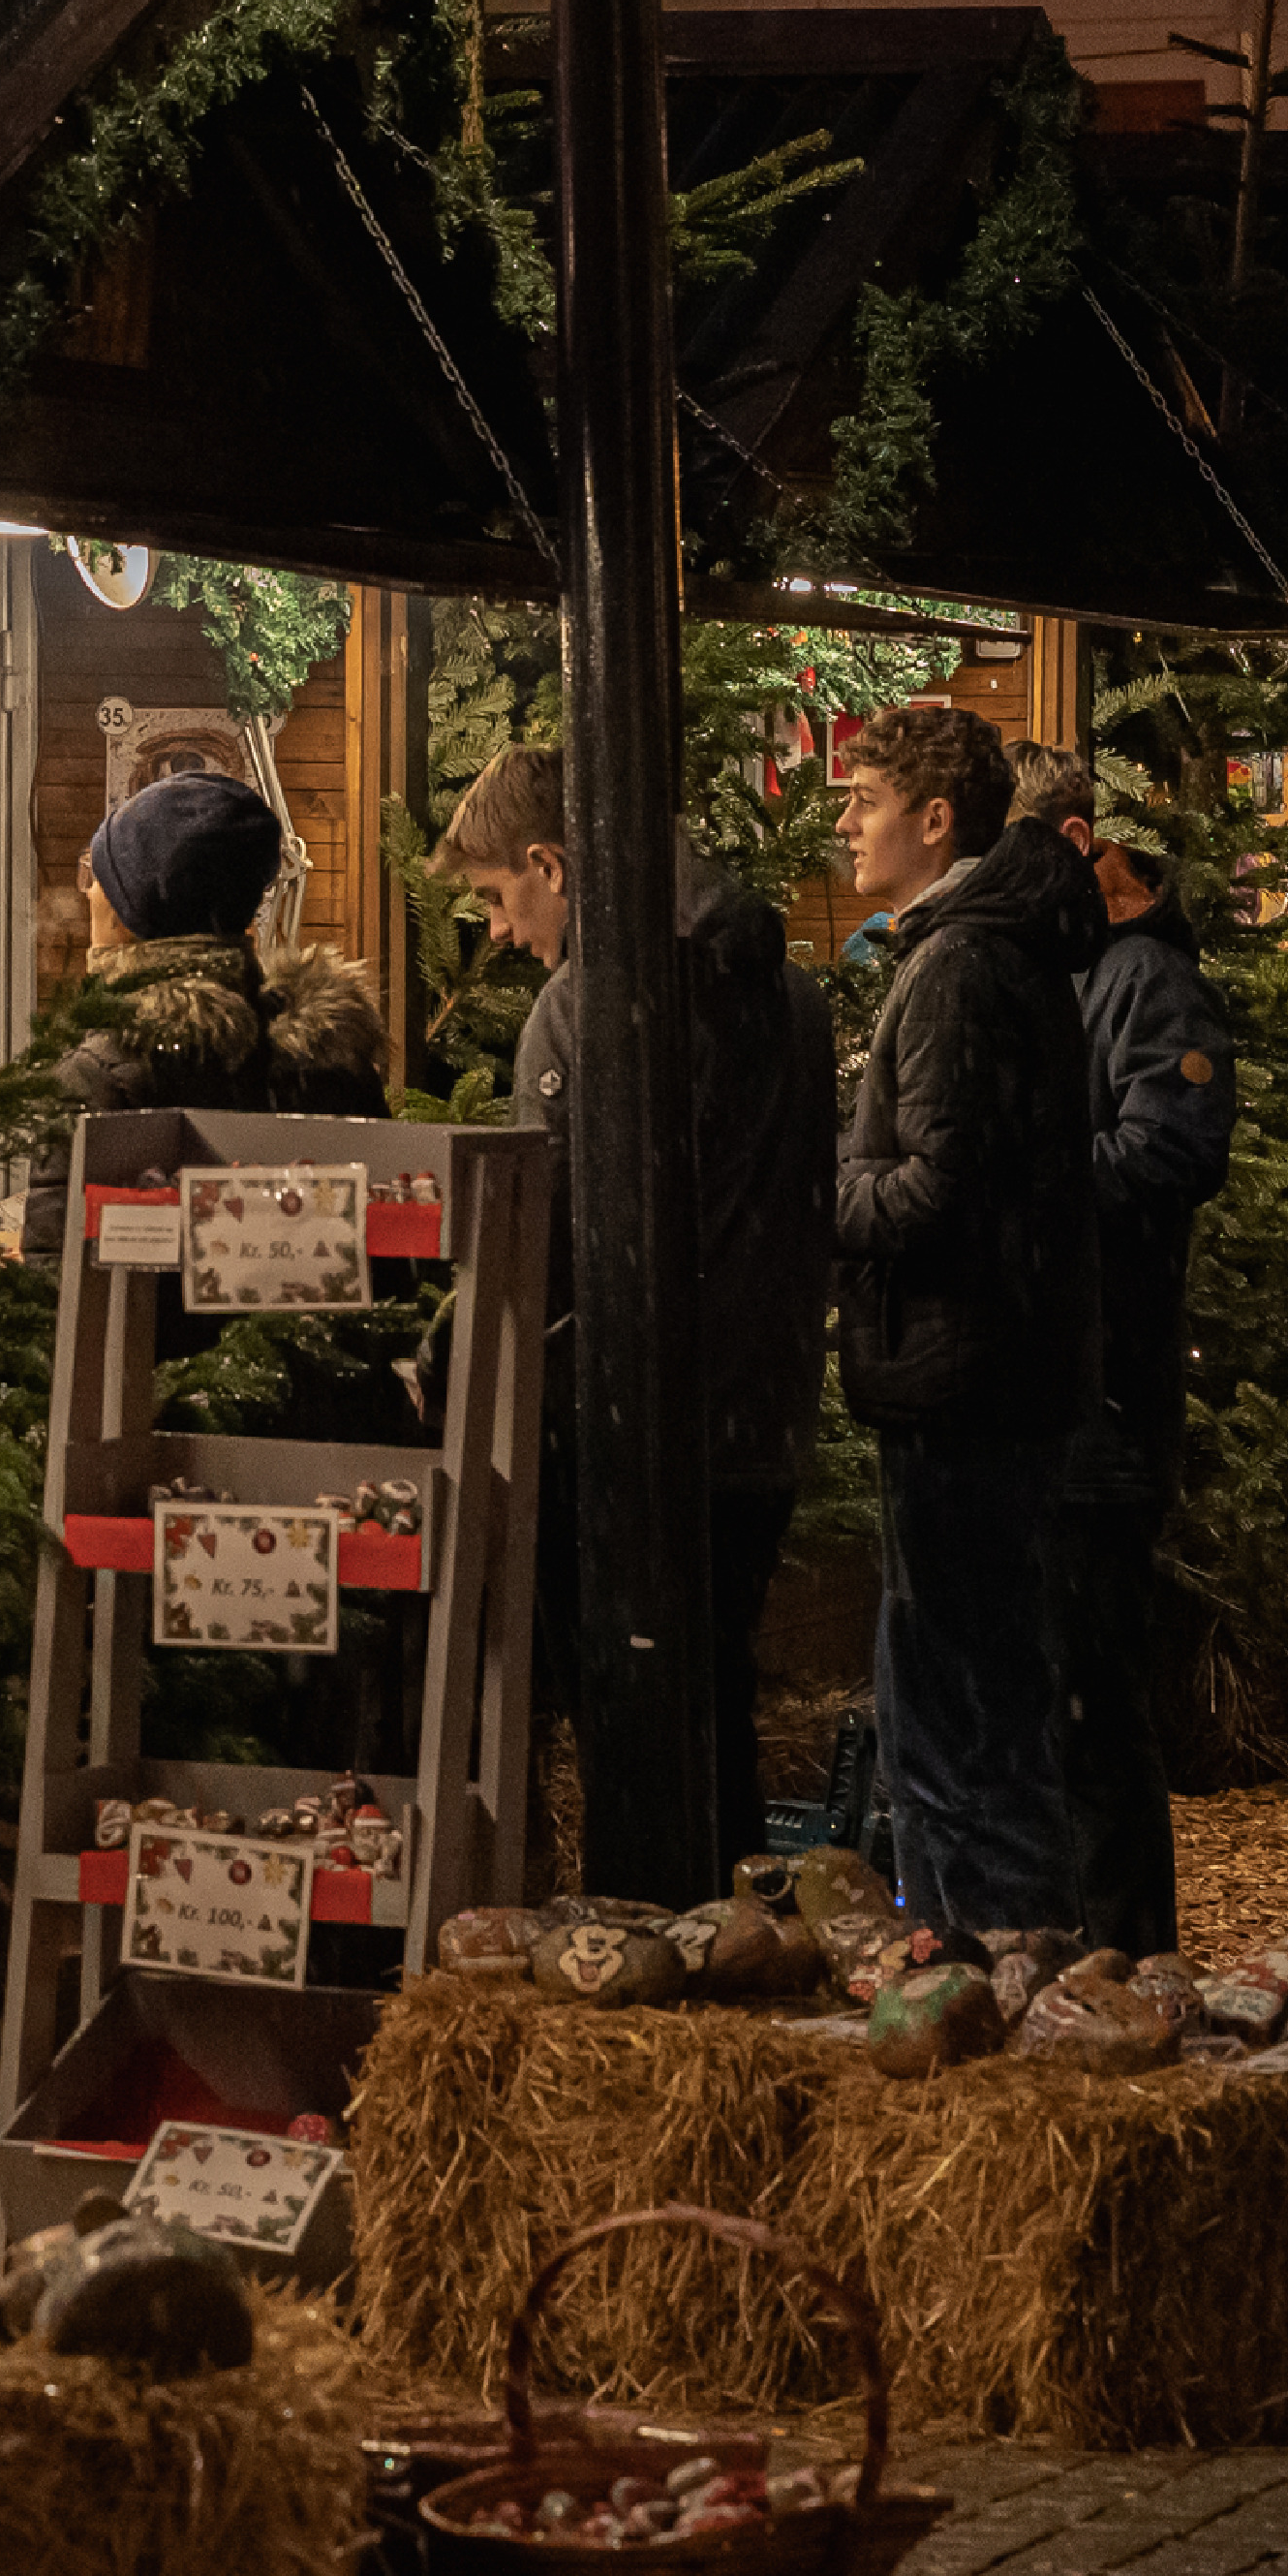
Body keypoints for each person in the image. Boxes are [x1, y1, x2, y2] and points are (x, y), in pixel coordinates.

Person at [438, 744, 836, 1872]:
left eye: (496, 898)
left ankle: (647, 1950)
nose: (501, 932)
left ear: (552, 864)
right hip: (762, 1411)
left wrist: (467, 1348)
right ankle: (725, 1940)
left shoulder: (586, 1010)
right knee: (715, 1710)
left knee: (633, 1715)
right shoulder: (789, 990)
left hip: (634, 1427)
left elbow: (552, 1231)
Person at [826, 699, 1103, 1942]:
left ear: (935, 822)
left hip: (958, 1385)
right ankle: (989, 1969)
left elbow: (944, 1186)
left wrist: (827, 1196)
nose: (844, 823)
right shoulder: (986, 951)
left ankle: (991, 1980)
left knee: (961, 1729)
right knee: (972, 1704)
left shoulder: (958, 967)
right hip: (984, 1379)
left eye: (866, 800)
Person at [1006, 743, 1237, 1954]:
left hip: (1107, 1393)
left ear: (1075, 845)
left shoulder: (1143, 980)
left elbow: (1173, 1153)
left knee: (1093, 1711)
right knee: (1059, 1705)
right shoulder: (1075, 974)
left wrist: (1026, 1180)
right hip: (1066, 1390)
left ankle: (1127, 1956)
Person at [50, 771, 383, 1118]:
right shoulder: (331, 1055)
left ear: (124, 917)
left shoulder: (92, 1077)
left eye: (94, 876)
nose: (87, 891)